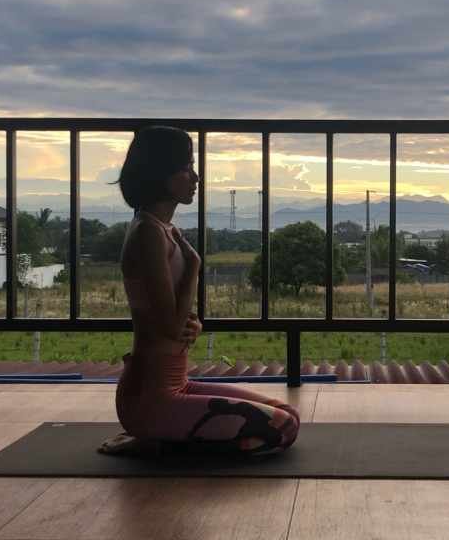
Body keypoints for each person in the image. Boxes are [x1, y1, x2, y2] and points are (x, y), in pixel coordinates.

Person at [98, 125, 300, 457]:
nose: (195, 178)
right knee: (283, 427)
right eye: (186, 168)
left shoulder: (161, 229)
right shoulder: (148, 233)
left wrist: (194, 322)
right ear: (160, 174)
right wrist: (194, 268)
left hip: (176, 384)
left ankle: (169, 437)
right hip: (152, 398)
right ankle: (159, 438)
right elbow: (170, 328)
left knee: (286, 413)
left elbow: (173, 319)